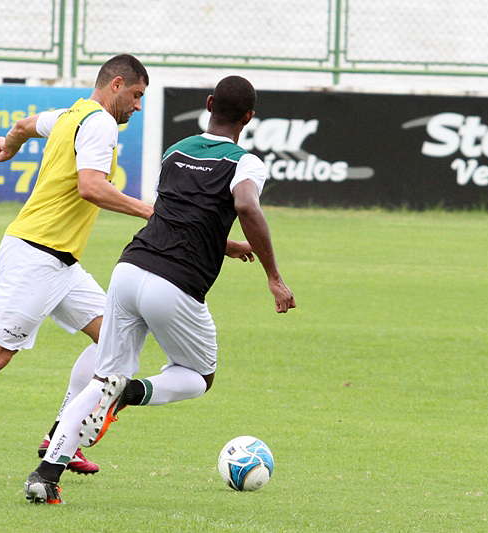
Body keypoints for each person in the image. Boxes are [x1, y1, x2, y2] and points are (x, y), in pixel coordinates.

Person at [24, 75, 296, 504]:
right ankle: (130, 393)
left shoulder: (175, 151)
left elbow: (176, 216)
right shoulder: (245, 163)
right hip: (177, 284)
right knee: (197, 376)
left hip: (130, 269)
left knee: (101, 376)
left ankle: (46, 473)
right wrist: (273, 276)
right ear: (249, 117)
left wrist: (225, 246)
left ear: (208, 104)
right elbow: (245, 205)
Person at [0, 54, 153, 481]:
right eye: (135, 95)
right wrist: (151, 212)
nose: (137, 106)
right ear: (115, 84)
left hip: (61, 262)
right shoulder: (100, 123)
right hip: (36, 254)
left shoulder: (67, 115)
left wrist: (10, 144)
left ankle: (62, 436)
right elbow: (91, 187)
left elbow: (21, 126)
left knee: (114, 336)